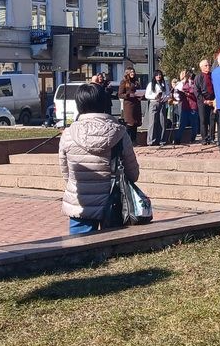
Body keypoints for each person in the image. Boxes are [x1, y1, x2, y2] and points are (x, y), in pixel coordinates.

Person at [59, 82, 141, 235]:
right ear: (104, 102)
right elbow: (133, 173)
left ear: (79, 104)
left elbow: (66, 173)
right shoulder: (120, 133)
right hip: (113, 203)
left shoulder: (68, 134)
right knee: (114, 251)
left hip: (79, 203)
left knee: (79, 252)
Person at [144, 70, 170, 146]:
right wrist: (154, 97)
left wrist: (164, 98)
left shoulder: (164, 84)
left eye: (160, 75)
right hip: (154, 103)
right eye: (157, 75)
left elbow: (168, 94)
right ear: (154, 76)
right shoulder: (151, 84)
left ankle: (162, 140)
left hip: (162, 103)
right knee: (152, 122)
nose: (159, 76)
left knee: (162, 122)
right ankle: (151, 141)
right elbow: (147, 95)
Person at [194, 59, 216, 145]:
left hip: (212, 100)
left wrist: (214, 100)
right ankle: (204, 138)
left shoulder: (212, 76)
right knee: (203, 120)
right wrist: (204, 101)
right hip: (203, 101)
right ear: (201, 67)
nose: (208, 67)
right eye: (206, 65)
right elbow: (196, 91)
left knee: (212, 120)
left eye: (209, 65)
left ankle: (212, 137)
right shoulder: (198, 77)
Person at [117, 67, 143, 143]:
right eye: (131, 72)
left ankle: (134, 140)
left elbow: (139, 90)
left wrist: (141, 95)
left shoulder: (136, 82)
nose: (133, 73)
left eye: (133, 72)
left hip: (136, 104)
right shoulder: (124, 82)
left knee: (135, 123)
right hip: (129, 105)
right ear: (127, 73)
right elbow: (120, 94)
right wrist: (128, 95)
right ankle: (127, 141)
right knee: (129, 122)